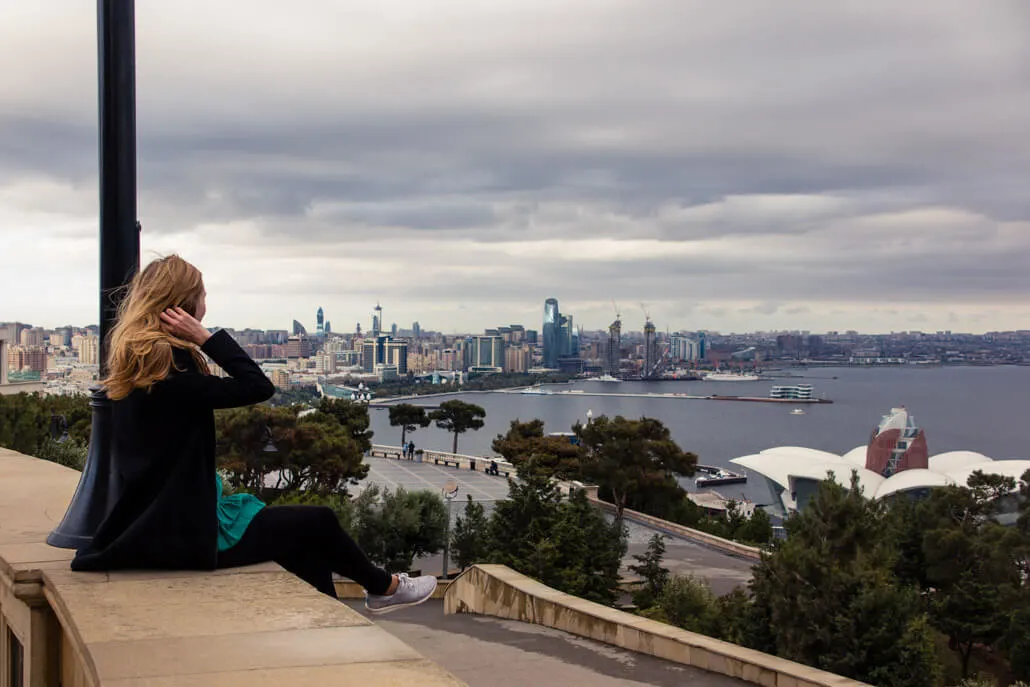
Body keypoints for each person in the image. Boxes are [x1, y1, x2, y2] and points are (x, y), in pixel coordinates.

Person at [70, 255, 435, 614]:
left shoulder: (139, 364)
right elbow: (257, 386)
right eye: (202, 296)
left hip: (162, 521)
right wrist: (206, 338)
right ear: (183, 305)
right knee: (319, 520)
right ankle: (385, 588)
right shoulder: (172, 370)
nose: (206, 305)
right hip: (181, 532)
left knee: (303, 541)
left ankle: (334, 622)